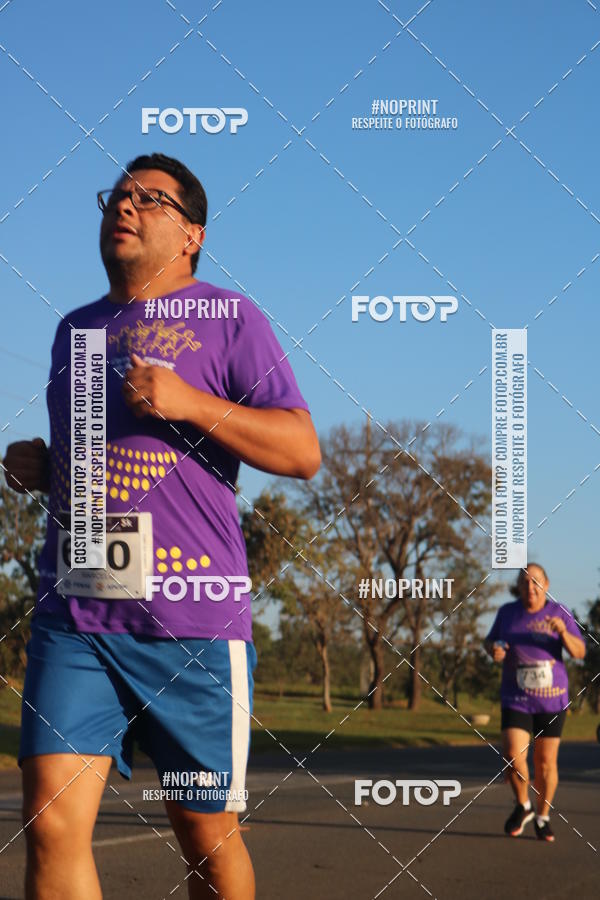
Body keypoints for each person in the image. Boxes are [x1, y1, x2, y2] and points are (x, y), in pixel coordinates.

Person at [4, 152, 321, 900]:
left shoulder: (232, 317)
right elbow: (102, 463)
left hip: (192, 628)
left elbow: (303, 451)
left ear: (192, 234)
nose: (125, 207)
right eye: (117, 196)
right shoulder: (74, 331)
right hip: (76, 615)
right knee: (49, 825)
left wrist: (192, 402)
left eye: (150, 199)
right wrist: (46, 468)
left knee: (206, 837)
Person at [484, 562, 585, 842]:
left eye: (536, 581)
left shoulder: (560, 612)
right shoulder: (507, 613)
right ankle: (523, 805)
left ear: (546, 585)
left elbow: (579, 652)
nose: (530, 587)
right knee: (513, 756)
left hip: (552, 701)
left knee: (545, 764)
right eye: (525, 582)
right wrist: (493, 650)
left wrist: (563, 632)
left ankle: (542, 817)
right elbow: (489, 642)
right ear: (518, 587)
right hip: (515, 697)